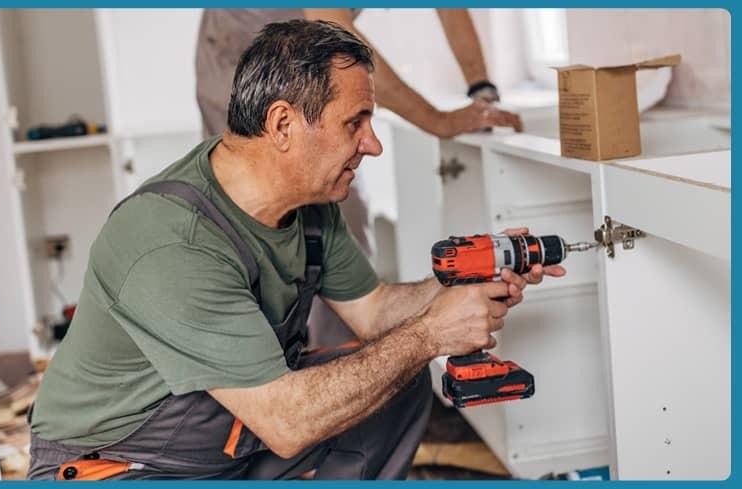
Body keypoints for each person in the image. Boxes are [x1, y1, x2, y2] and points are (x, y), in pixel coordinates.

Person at [28, 20, 562, 480]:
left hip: (228, 439)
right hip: (122, 464)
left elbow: (374, 313)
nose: (372, 144)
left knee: (395, 379)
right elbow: (287, 423)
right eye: (356, 122)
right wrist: (431, 333)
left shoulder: (308, 200)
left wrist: (460, 283)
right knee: (401, 357)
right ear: (283, 124)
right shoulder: (172, 241)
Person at [196, 9, 523, 349]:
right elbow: (337, 40)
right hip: (239, 50)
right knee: (255, 216)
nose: (373, 147)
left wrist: (482, 90)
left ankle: (341, 369)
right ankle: (263, 369)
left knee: (338, 209)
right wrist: (436, 120)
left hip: (305, 48)